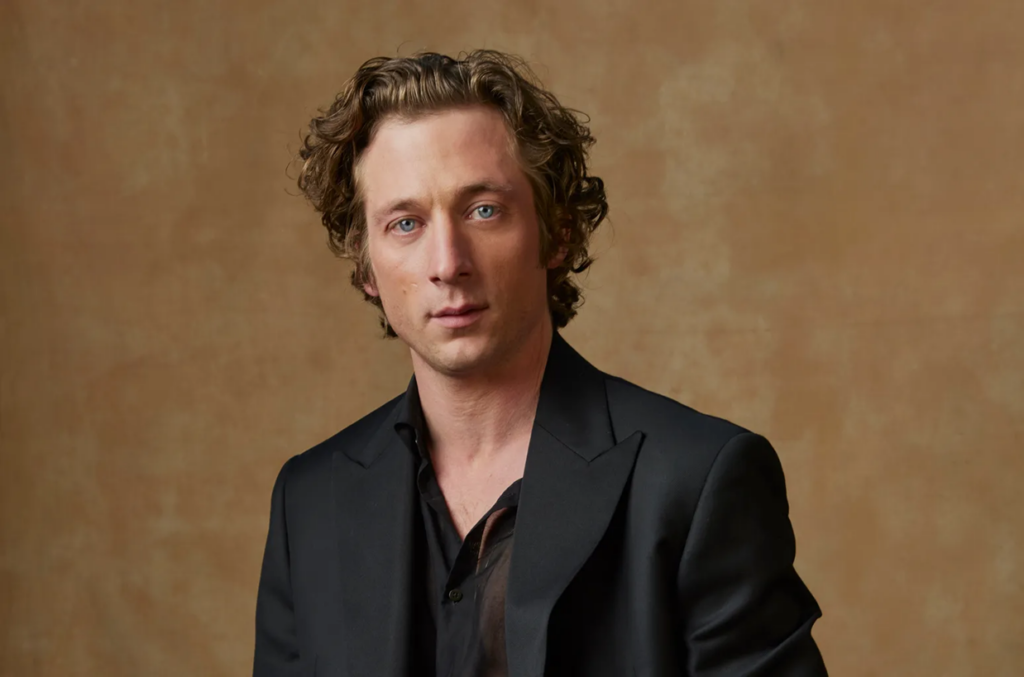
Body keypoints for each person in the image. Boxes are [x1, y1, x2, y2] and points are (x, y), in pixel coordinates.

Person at [253, 50, 827, 677]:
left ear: (556, 232)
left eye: (483, 210)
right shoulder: (309, 502)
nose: (447, 263)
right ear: (366, 264)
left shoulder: (698, 481)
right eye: (406, 223)